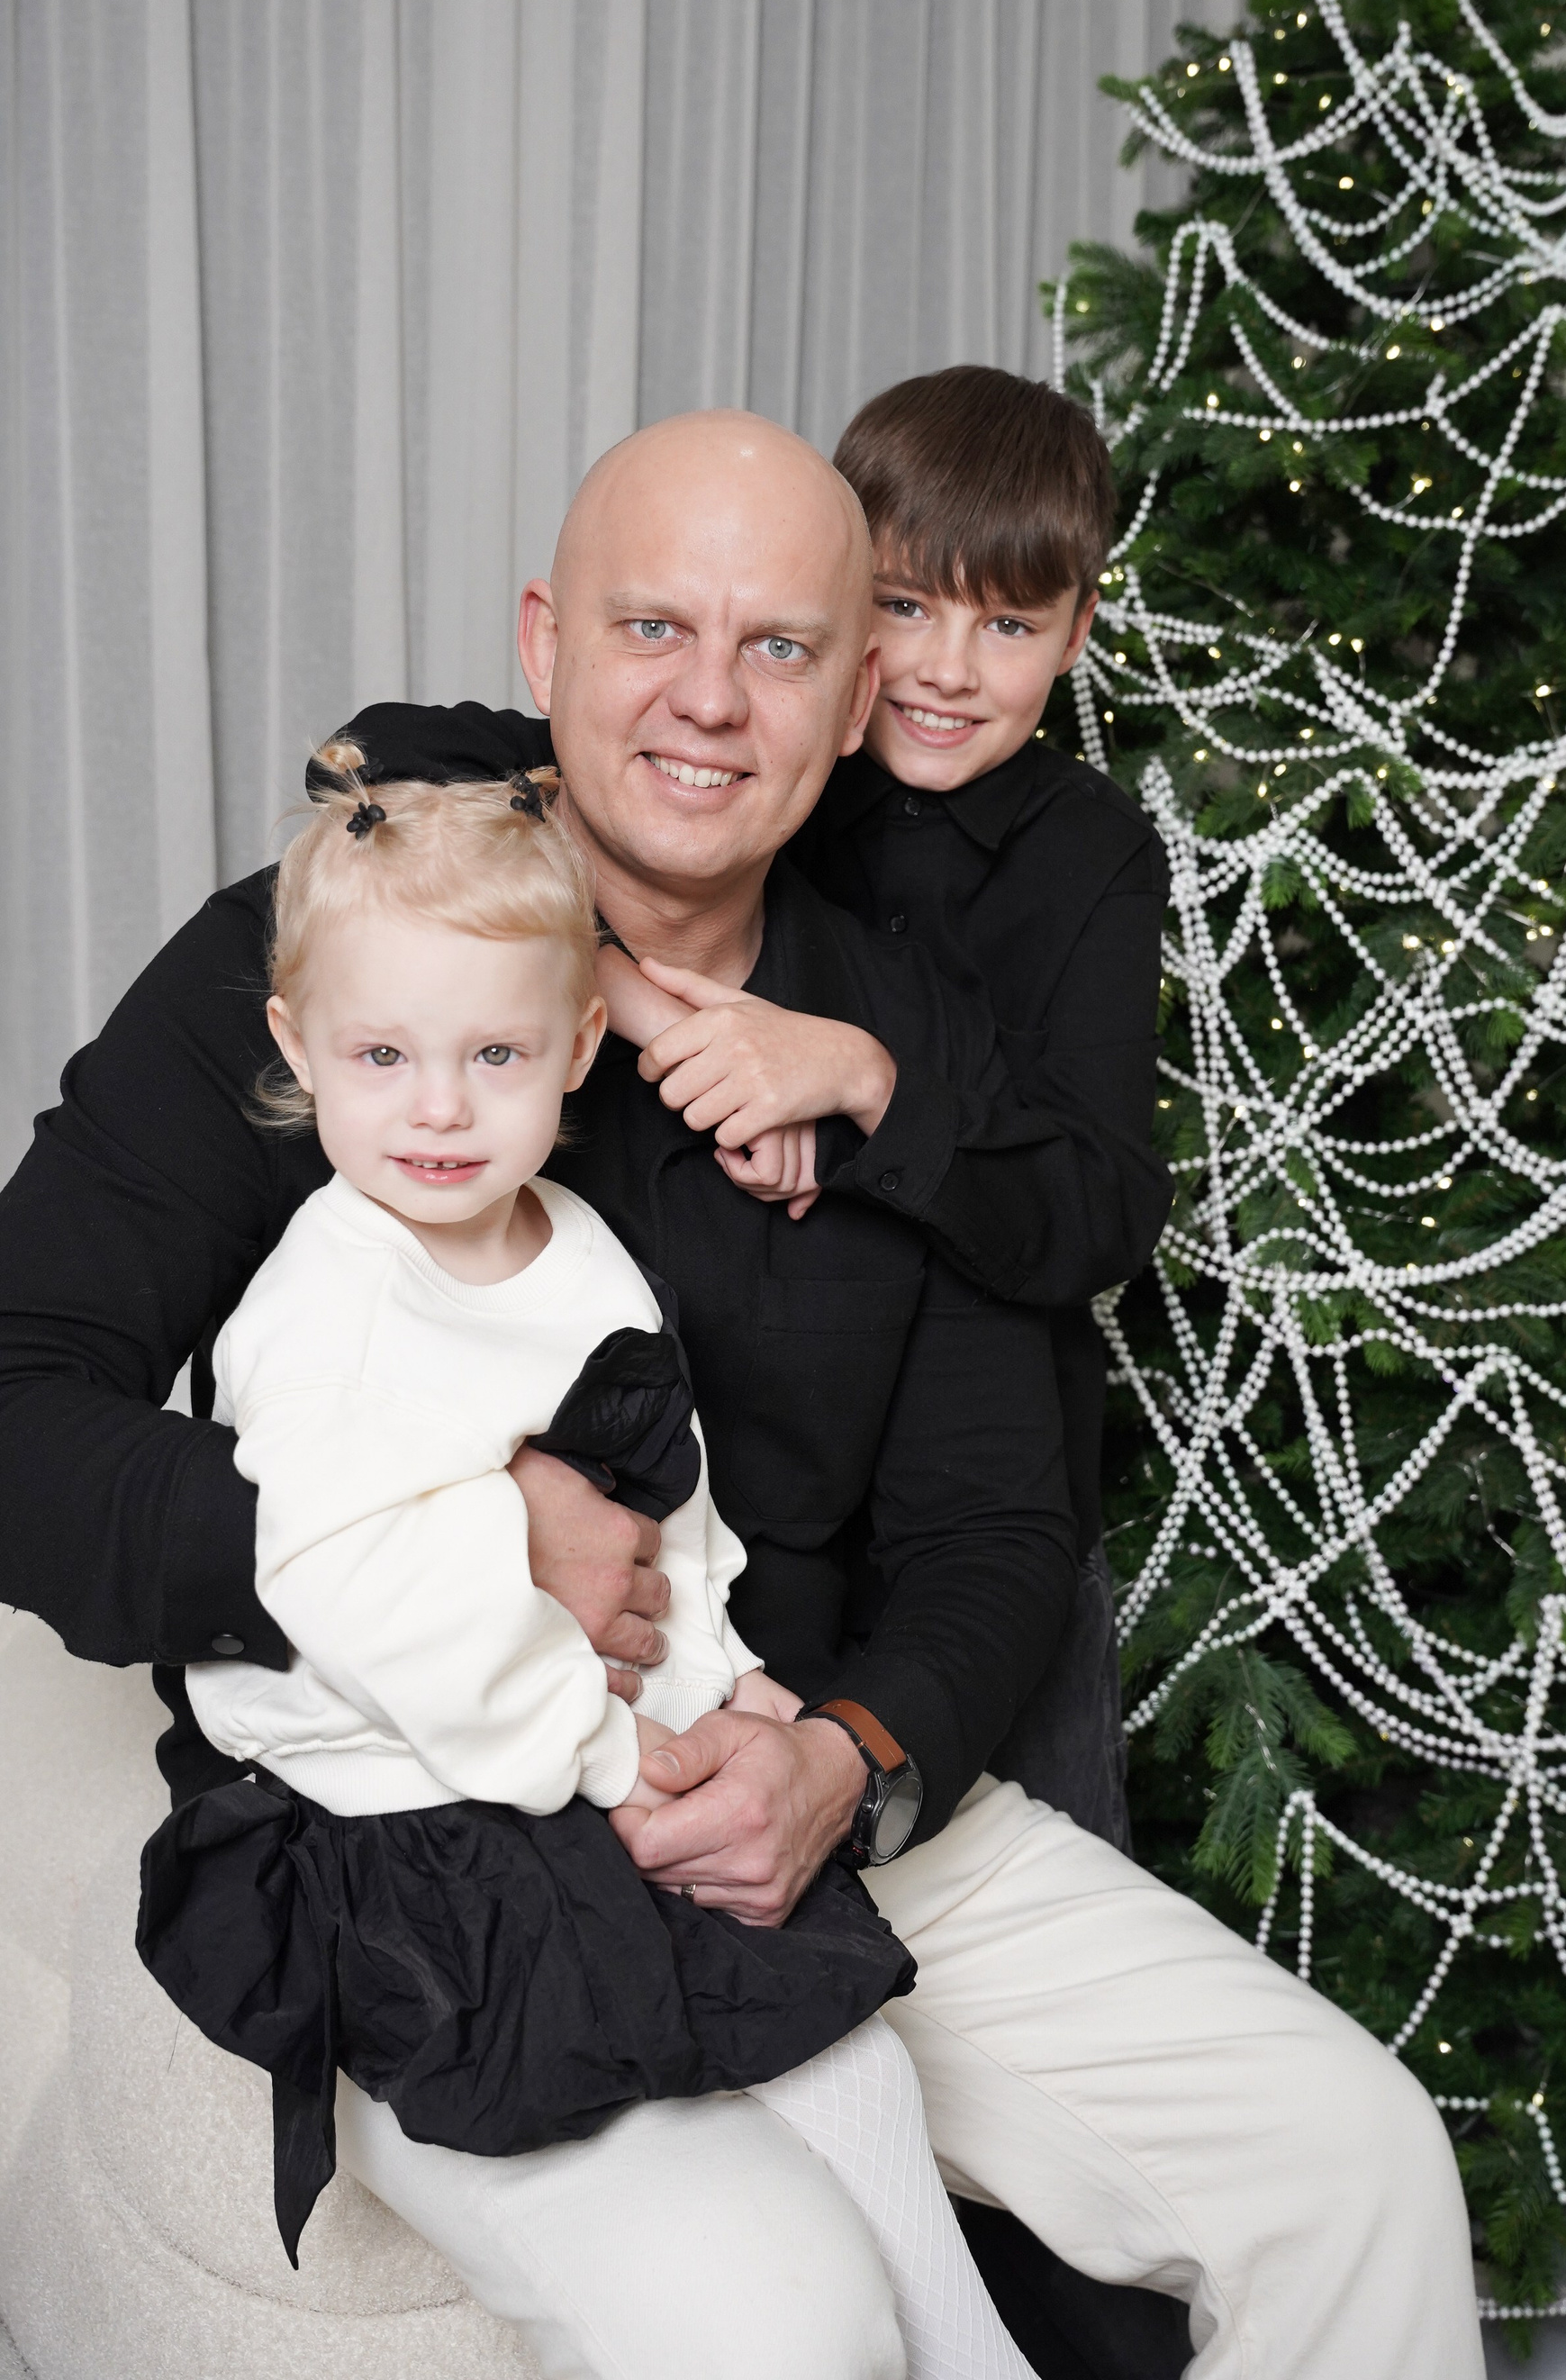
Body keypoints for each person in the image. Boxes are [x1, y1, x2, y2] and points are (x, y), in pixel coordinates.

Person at [0, 412, 1486, 2380]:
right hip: (445, 1840)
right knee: (774, 2310)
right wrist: (468, 1538)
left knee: (1354, 2162)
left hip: (799, 1778)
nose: (709, 700)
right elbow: (16, 1402)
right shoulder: (354, 967)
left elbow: (994, 1527)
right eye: (652, 628)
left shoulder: (900, 1031)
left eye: (779, 646)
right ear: (546, 647)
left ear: (855, 694)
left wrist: (845, 1763)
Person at [136, 751, 1033, 2380]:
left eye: (495, 1055)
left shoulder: (576, 1247)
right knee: (729, 2107)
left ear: (578, 1049)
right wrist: (616, 1756)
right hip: (408, 1808)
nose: (438, 1108)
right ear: (298, 1048)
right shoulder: (327, 1310)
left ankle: (976, 2352)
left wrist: (733, 1681)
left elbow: (664, 1507)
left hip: (562, 1753)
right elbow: (384, 1611)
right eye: (383, 1056)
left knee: (848, 2046)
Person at [350, 365, 1172, 1855]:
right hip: (743, 1472)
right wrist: (650, 1003)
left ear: (1077, 635)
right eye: (905, 608)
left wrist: (858, 1083)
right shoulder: (757, 761)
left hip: (987, 1456)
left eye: (1008, 626)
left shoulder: (1089, 856)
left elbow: (1099, 1206)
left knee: (1030, 1799)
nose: (944, 671)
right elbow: (394, 757)